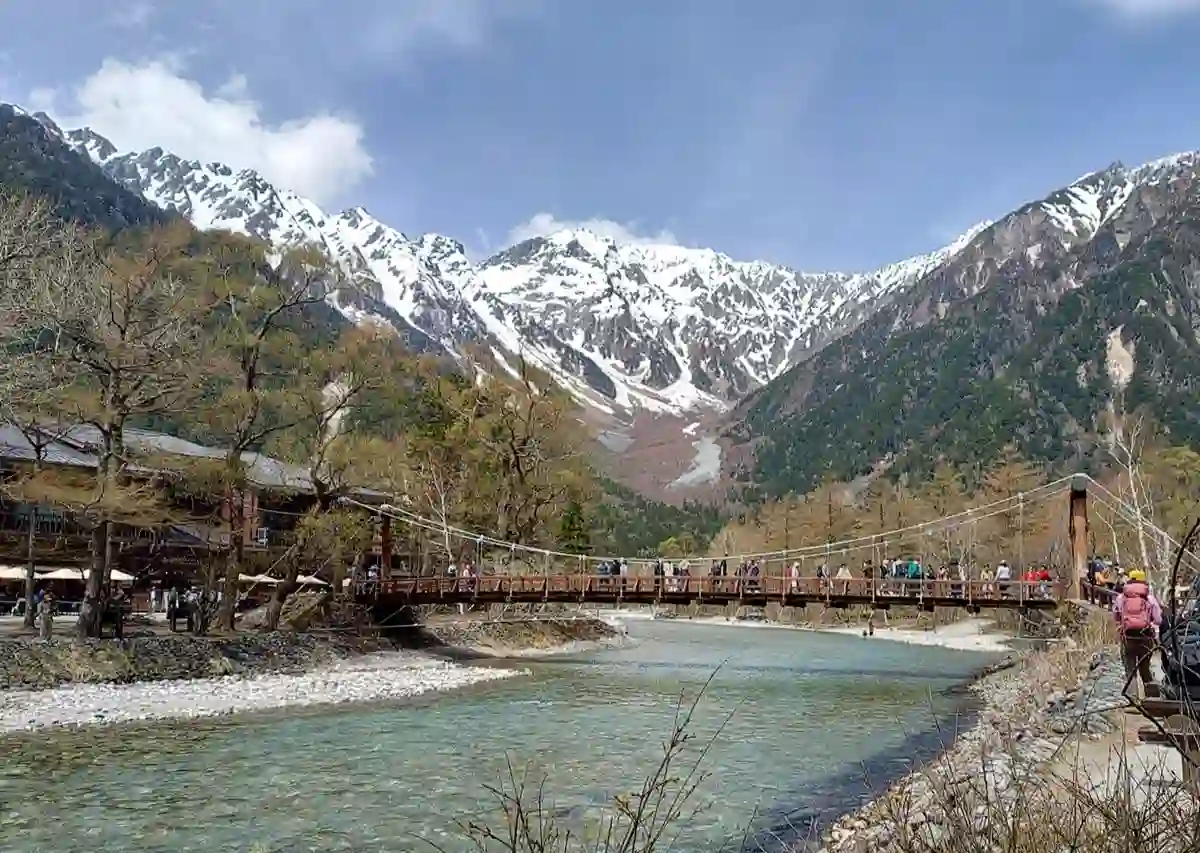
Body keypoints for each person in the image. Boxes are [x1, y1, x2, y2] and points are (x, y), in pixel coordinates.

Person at [1113, 568, 1162, 698]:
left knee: (1130, 669)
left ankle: (1132, 700)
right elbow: (1158, 619)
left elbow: (1116, 617)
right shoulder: (1149, 598)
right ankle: (1152, 698)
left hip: (1128, 637)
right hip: (1146, 637)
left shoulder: (1121, 598)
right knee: (1145, 668)